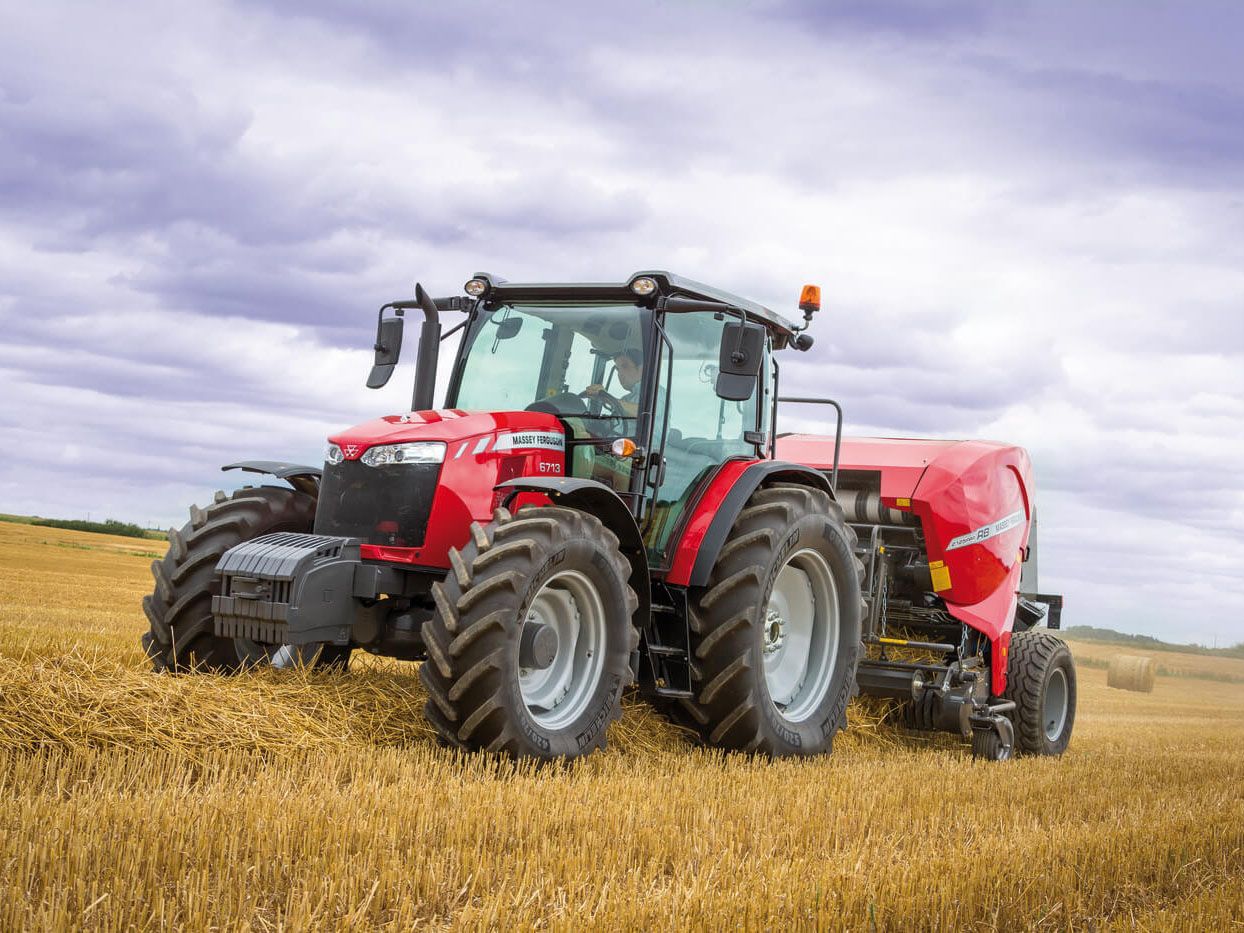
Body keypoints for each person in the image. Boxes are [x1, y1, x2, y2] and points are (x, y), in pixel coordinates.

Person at [584, 348, 643, 417]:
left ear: (641, 369)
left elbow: (644, 412)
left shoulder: (655, 394)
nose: (619, 374)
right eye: (618, 369)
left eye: (625, 366)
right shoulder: (626, 399)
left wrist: (607, 399)